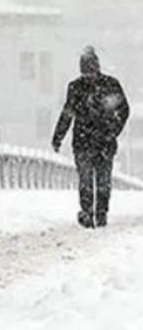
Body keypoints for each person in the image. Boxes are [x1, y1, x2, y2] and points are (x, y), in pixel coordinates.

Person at [52, 46, 131, 228]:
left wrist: (112, 131)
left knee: (101, 180)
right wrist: (58, 136)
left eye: (90, 70)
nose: (89, 75)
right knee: (88, 180)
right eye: (86, 71)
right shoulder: (86, 87)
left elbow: (124, 110)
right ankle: (88, 212)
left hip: (98, 141)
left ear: (97, 68)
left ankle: (100, 212)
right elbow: (67, 114)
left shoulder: (104, 86)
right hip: (90, 142)